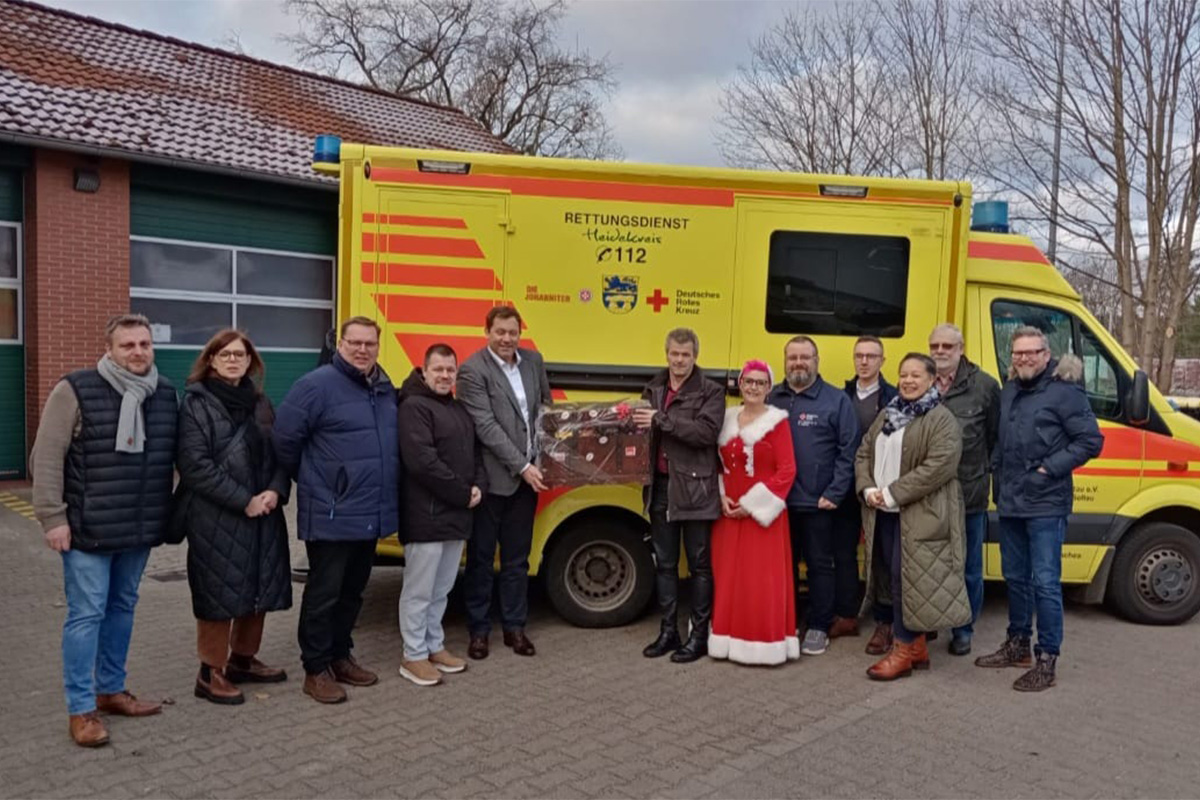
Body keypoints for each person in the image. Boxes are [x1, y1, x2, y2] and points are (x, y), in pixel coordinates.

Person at [30, 313, 177, 747]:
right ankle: (81, 709)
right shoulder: (74, 389)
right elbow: (46, 457)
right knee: (86, 615)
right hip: (86, 530)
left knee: (122, 610)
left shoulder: (164, 393)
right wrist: (52, 518)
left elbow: (175, 455)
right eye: (128, 345)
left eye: (144, 344)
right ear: (109, 349)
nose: (138, 352)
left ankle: (111, 689)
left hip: (138, 528)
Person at [273, 316, 399, 704]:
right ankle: (315, 668)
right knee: (324, 594)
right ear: (339, 344)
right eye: (354, 343)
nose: (362, 350)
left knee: (353, 592)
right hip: (331, 511)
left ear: (379, 346)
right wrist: (319, 482)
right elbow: (283, 440)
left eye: (370, 343)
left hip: (369, 511)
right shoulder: (315, 386)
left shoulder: (383, 386)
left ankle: (341, 655)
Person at [976, 327, 1103, 691]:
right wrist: (996, 469)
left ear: (1047, 355)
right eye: (1018, 353)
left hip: (1046, 502)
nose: (1024, 358)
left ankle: (1047, 658)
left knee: (1045, 582)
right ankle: (1017, 645)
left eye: (1032, 352)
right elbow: (1001, 439)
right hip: (1012, 500)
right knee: (1015, 577)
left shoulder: (1065, 392)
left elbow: (1091, 441)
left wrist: (1049, 469)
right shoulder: (1011, 389)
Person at [174, 330, 292, 706]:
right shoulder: (196, 403)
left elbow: (279, 454)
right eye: (224, 354)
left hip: (264, 511)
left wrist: (275, 490)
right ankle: (210, 673)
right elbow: (195, 466)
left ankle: (243, 658)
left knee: (257, 585)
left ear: (250, 361)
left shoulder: (260, 402)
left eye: (240, 355)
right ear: (210, 359)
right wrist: (245, 500)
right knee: (218, 592)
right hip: (217, 515)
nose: (232, 360)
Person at [855, 353, 969, 680]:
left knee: (906, 580)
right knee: (894, 580)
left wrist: (890, 492)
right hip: (884, 514)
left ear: (932, 380)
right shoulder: (889, 414)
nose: (907, 381)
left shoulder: (941, 418)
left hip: (921, 517)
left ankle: (903, 650)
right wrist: (866, 489)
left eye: (915, 375)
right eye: (903, 375)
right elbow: (864, 451)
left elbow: (938, 467)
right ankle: (917, 646)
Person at [457, 306, 552, 659]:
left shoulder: (533, 361)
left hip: (527, 484)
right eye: (500, 332)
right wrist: (524, 465)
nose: (507, 339)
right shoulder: (471, 371)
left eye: (513, 332)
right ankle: (479, 632)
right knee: (481, 560)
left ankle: (515, 628)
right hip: (491, 480)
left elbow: (545, 410)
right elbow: (486, 427)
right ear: (487, 332)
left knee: (517, 560)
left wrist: (546, 460)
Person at [396, 344, 486, 686]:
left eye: (450, 370)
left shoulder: (458, 409)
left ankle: (434, 645)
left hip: (456, 515)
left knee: (441, 590)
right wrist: (464, 493)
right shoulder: (413, 407)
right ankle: (413, 654)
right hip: (427, 517)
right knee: (419, 591)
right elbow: (422, 462)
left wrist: (479, 484)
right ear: (424, 369)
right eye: (439, 370)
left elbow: (475, 453)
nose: (445, 376)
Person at [637, 328, 726, 663]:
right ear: (667, 353)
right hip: (661, 486)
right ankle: (668, 632)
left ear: (695, 356)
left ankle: (698, 636)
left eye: (685, 355)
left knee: (700, 566)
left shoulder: (711, 392)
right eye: (674, 353)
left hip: (696, 487)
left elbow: (706, 433)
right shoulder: (654, 387)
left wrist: (663, 420)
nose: (679, 360)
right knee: (665, 564)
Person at [768, 335, 859, 656]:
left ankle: (819, 625)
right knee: (783, 566)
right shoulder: (772, 398)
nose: (798, 363)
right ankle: (787, 622)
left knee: (821, 565)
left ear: (816, 361)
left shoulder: (835, 401)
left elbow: (850, 452)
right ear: (785, 361)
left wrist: (835, 492)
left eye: (805, 357)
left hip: (818, 502)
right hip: (778, 503)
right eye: (792, 357)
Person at [710, 360, 798, 666]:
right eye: (749, 381)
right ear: (740, 383)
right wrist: (722, 497)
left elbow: (787, 470)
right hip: (728, 514)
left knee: (761, 582)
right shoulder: (727, 417)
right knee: (728, 579)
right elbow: (717, 464)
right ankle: (727, 642)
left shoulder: (777, 422)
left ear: (769, 388)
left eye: (760, 383)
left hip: (762, 517)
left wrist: (750, 505)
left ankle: (763, 645)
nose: (753, 387)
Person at [928, 323, 1001, 656]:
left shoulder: (984, 386)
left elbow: (994, 440)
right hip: (927, 497)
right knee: (928, 563)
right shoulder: (920, 381)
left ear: (961, 348)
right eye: (935, 346)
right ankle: (928, 622)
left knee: (968, 567)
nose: (940, 352)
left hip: (968, 494)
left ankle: (963, 629)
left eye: (947, 346)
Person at [842, 335, 899, 655]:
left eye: (871, 356)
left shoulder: (894, 398)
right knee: (844, 553)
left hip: (879, 491)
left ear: (882, 361)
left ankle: (885, 622)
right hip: (845, 486)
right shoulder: (842, 395)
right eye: (859, 356)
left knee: (882, 558)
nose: (864, 362)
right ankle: (848, 614)